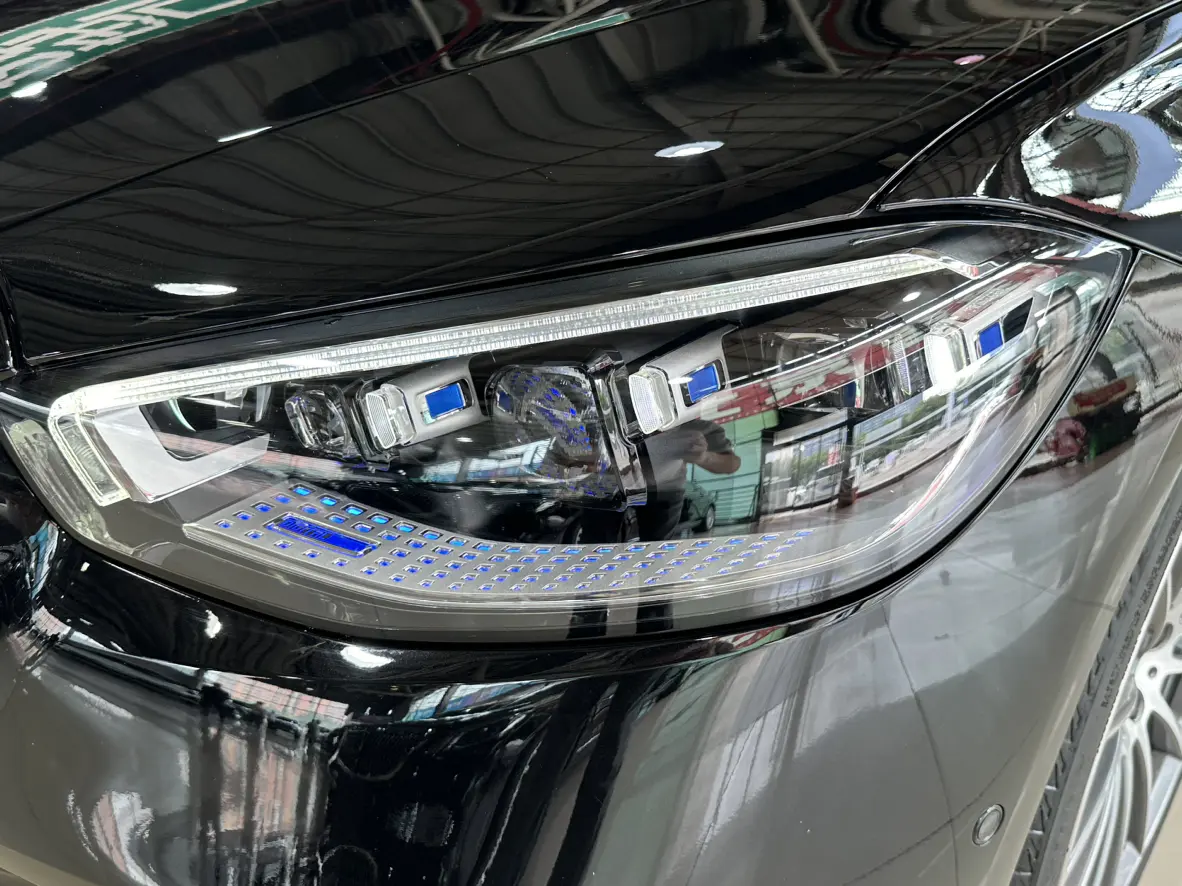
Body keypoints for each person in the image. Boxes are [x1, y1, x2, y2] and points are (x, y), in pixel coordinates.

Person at [637, 418, 740, 540]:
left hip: (663, 492)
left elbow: (733, 464)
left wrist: (704, 457)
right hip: (627, 481)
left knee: (654, 545)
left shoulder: (698, 428)